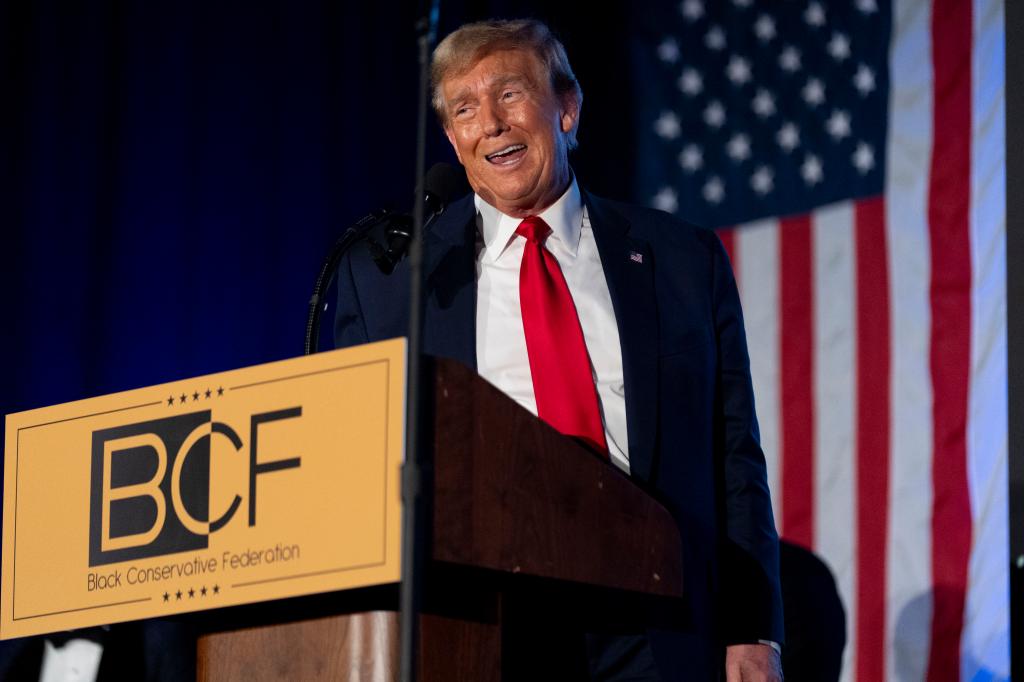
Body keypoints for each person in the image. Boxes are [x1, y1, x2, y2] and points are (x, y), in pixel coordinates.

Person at [334, 18, 784, 681]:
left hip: (660, 621)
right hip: (487, 624)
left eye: (511, 94)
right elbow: (356, 469)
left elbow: (733, 456)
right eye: (465, 109)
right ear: (454, 141)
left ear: (566, 109)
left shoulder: (681, 259)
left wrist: (753, 631)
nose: (491, 122)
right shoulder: (391, 282)